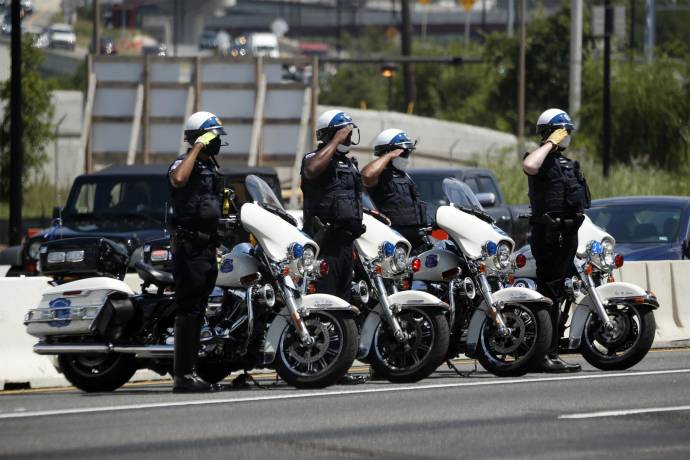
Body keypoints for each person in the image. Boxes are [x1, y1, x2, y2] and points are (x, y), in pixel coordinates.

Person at [522, 108, 591, 373]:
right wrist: (550, 142)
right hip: (549, 234)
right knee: (549, 292)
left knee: (560, 291)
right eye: (562, 131)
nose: (566, 136)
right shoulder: (538, 160)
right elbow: (529, 166)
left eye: (567, 132)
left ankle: (551, 351)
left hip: (569, 233)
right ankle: (543, 355)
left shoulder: (567, 164)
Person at [168, 111, 227, 392]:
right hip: (189, 246)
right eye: (212, 137)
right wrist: (198, 147)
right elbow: (178, 179)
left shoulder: (211, 169)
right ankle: (183, 376)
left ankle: (195, 371)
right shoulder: (185, 163)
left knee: (200, 309)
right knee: (189, 310)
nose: (217, 142)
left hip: (207, 247)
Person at [300, 110, 364, 302]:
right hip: (324, 241)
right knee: (325, 299)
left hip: (346, 243)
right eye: (344, 133)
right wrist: (335, 141)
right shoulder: (313, 158)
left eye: (349, 134)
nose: (348, 138)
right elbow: (311, 171)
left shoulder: (350, 164)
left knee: (343, 300)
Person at [362, 128, 429, 252]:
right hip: (396, 241)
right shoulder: (380, 175)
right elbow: (366, 175)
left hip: (418, 239)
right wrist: (390, 155)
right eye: (403, 153)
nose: (406, 157)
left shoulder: (404, 175)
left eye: (408, 153)